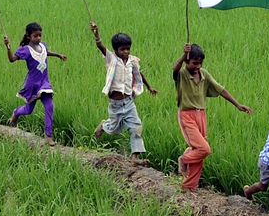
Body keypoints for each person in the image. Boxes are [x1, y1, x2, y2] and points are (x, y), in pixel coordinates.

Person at [174, 43, 252, 191]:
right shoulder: (182, 74)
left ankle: (189, 187)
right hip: (187, 115)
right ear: (186, 62)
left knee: (199, 153)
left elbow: (221, 90)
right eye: (194, 63)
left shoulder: (204, 74)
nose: (197, 66)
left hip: (201, 115)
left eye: (200, 63)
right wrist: (184, 54)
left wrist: (237, 104)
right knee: (204, 149)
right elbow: (175, 68)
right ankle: (183, 159)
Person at [90, 22, 158, 166]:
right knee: (114, 130)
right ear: (115, 50)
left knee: (136, 127)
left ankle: (134, 157)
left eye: (128, 49)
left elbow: (139, 74)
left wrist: (150, 87)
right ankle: (103, 125)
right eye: (122, 49)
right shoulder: (111, 59)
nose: (126, 52)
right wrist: (96, 35)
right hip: (115, 104)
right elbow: (100, 47)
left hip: (128, 102)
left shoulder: (132, 61)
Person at [4, 22, 67, 146]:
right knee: (28, 110)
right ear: (28, 37)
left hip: (44, 83)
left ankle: (48, 136)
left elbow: (45, 53)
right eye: (35, 36)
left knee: (49, 106)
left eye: (39, 35)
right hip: (33, 84)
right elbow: (12, 59)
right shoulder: (25, 50)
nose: (38, 38)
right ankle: (16, 112)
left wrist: (58, 55)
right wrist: (8, 47)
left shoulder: (42, 46)